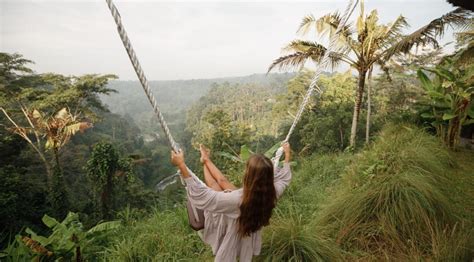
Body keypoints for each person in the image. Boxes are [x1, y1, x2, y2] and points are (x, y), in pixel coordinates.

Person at [170, 143, 292, 262]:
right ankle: (206, 160)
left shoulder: (237, 200)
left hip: (233, 222)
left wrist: (181, 165)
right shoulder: (273, 191)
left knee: (215, 186)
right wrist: (287, 155)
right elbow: (284, 179)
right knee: (223, 182)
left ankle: (205, 161)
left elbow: (205, 196)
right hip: (248, 215)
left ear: (249, 176)